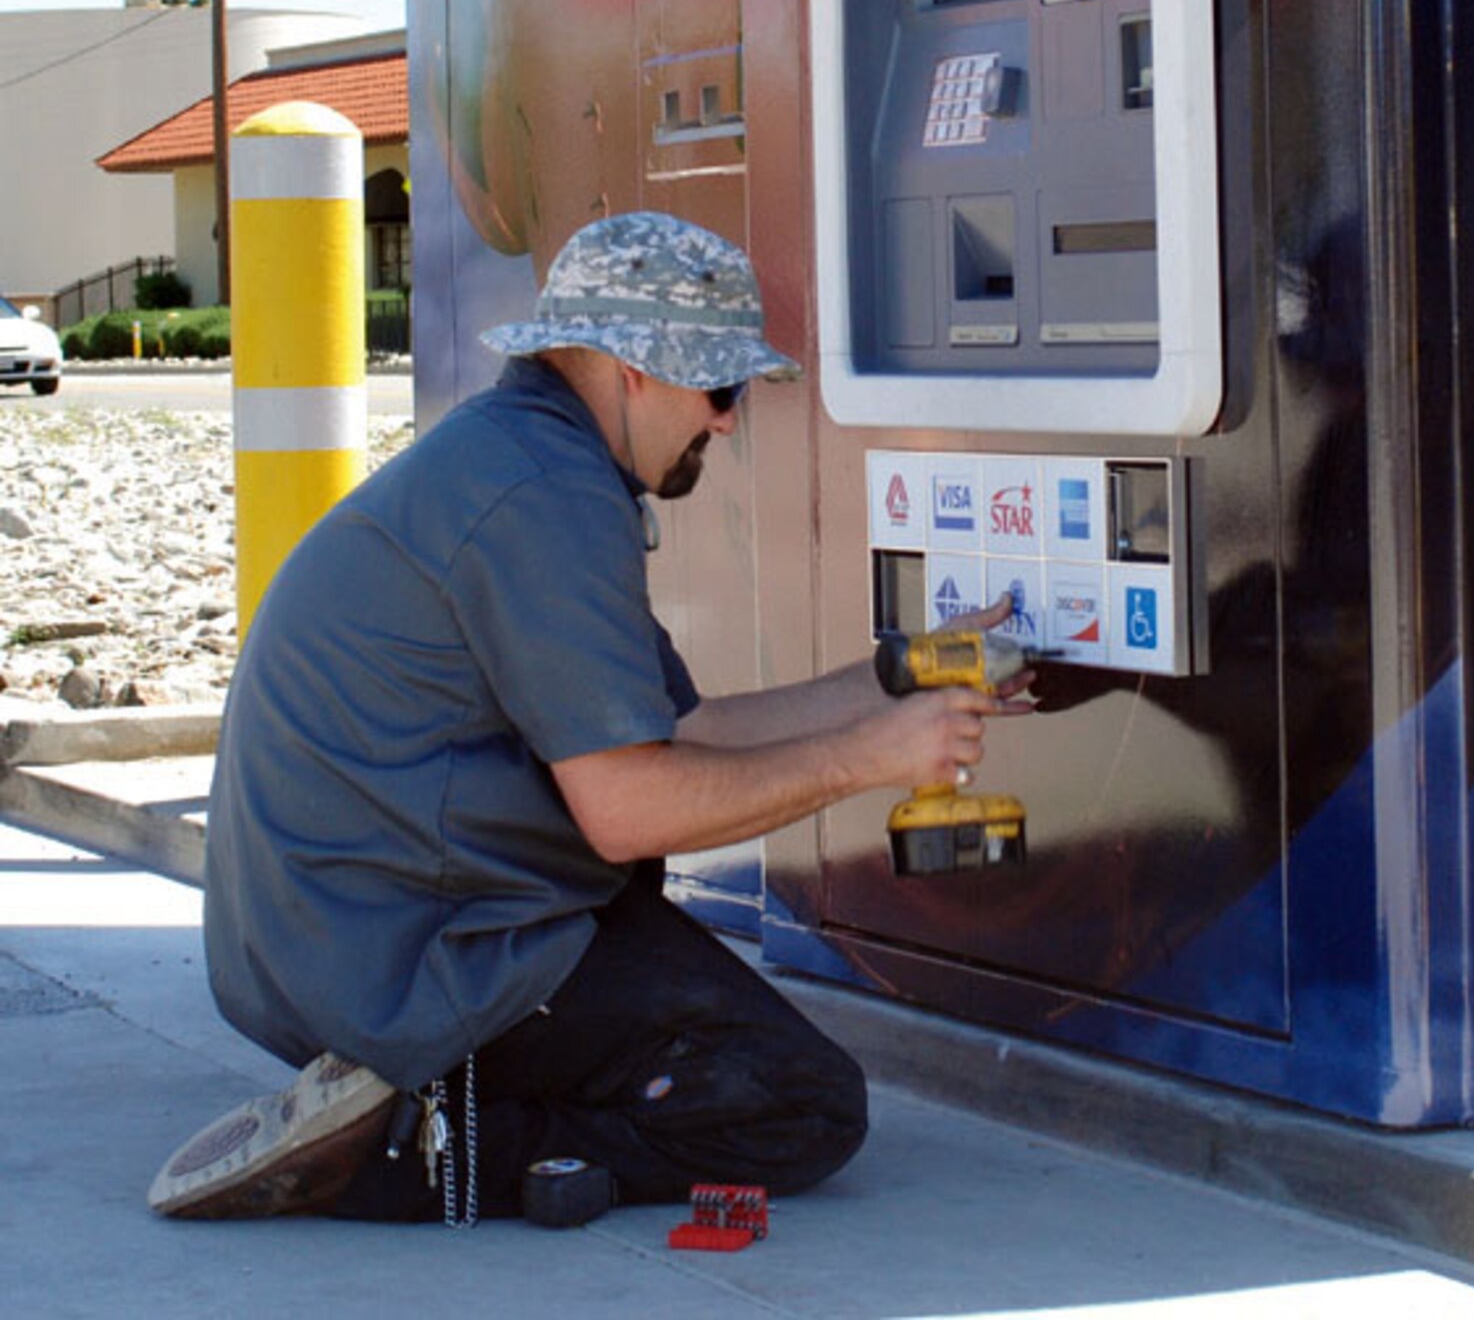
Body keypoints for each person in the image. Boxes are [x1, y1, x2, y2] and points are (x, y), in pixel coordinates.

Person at [149, 211, 1026, 1224]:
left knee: (699, 1028)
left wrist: (899, 681)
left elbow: (681, 733)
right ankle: (404, 1151)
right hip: (404, 953)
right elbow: (627, 808)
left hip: (339, 930)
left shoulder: (522, 457)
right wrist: (869, 757)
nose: (729, 419)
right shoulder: (542, 492)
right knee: (795, 1101)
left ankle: (417, 1091)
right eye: (720, 385)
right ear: (629, 369)